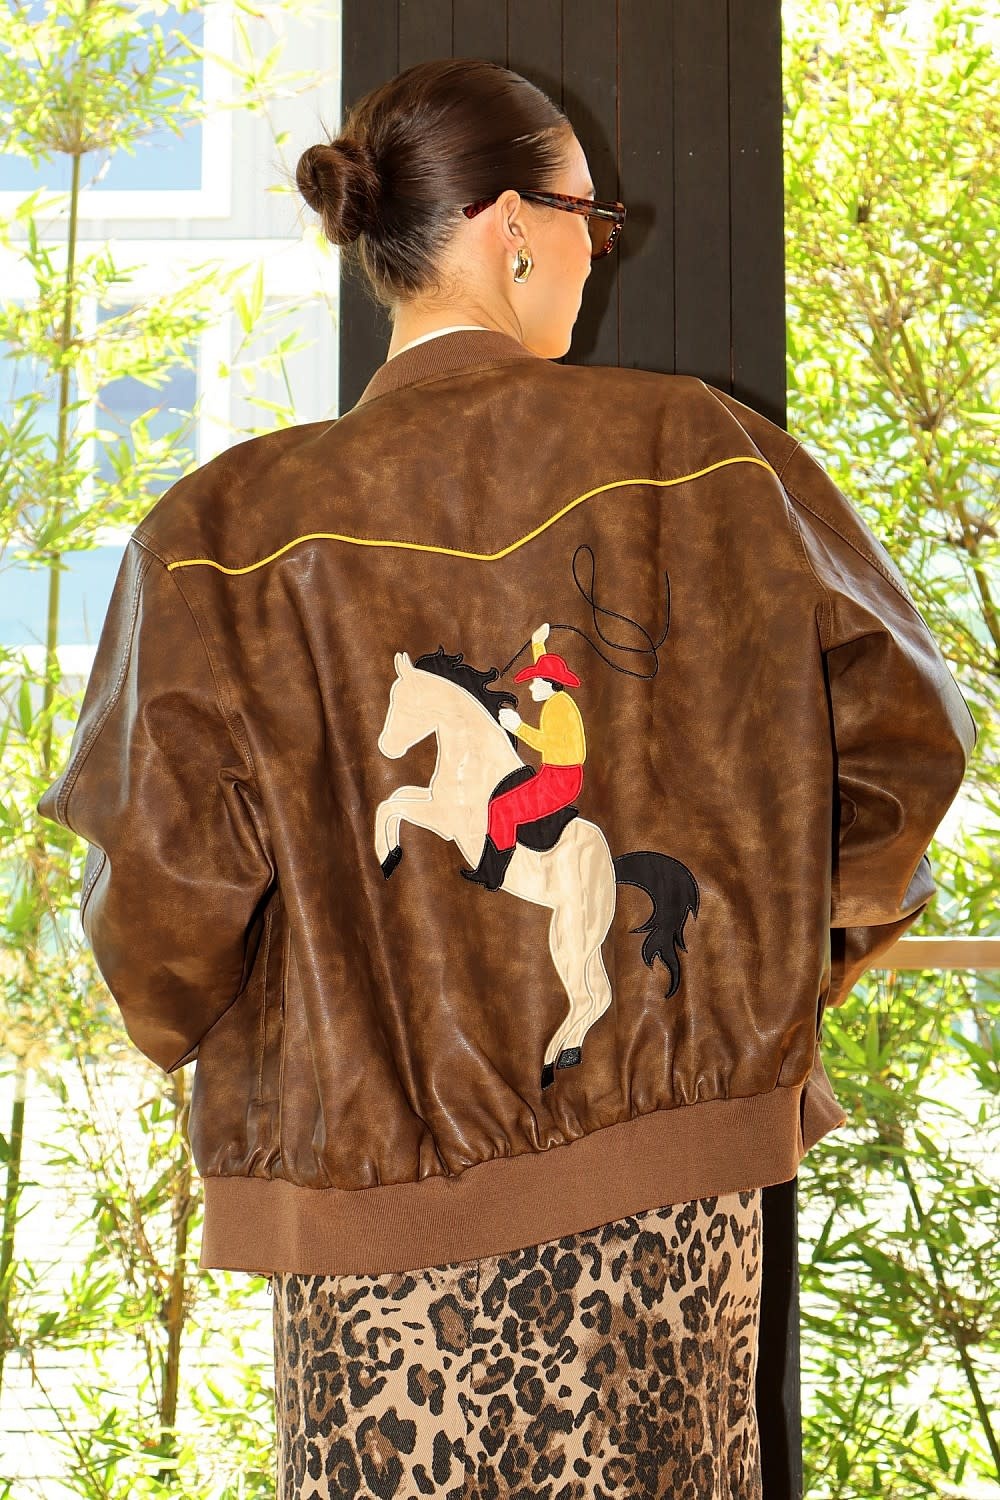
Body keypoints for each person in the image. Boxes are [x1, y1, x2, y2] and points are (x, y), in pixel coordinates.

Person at [36, 56, 977, 1500]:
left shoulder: (221, 531)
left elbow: (159, 923)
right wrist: (771, 963)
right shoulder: (701, 453)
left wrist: (291, 1034)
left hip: (368, 1221)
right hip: (671, 1199)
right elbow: (905, 746)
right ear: (511, 225)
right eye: (594, 220)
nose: (599, 255)